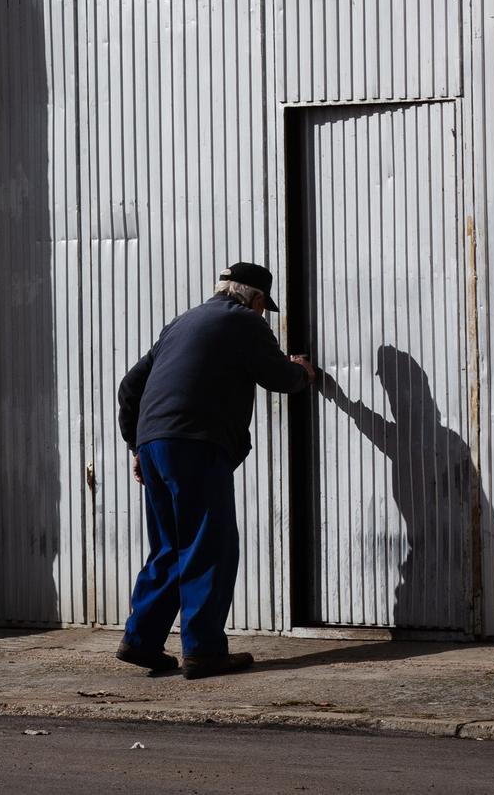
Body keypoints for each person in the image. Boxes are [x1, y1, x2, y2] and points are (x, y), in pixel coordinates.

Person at [114, 262, 315, 679]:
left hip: (155, 444)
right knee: (209, 544)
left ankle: (141, 640)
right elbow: (277, 376)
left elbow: (130, 386)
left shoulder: (181, 322)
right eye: (264, 307)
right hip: (195, 443)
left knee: (170, 546)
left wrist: (139, 445)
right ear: (257, 299)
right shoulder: (244, 322)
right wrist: (303, 373)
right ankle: (203, 651)